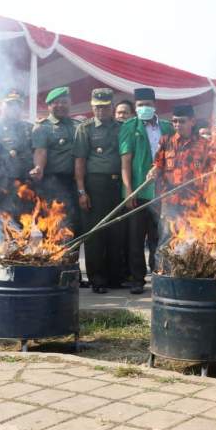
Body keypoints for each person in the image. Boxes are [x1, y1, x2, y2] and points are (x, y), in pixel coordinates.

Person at [118, 88, 173, 294]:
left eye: (148, 104)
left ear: (155, 105)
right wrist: (128, 191)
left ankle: (159, 274)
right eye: (140, 105)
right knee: (135, 237)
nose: (144, 108)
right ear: (135, 107)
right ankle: (137, 279)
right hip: (138, 192)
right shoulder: (129, 127)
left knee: (159, 236)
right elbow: (125, 163)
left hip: (162, 192)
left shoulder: (167, 127)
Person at [73, 89, 124, 294]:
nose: (100, 110)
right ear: (91, 107)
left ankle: (114, 277)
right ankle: (97, 279)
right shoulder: (85, 129)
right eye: (97, 107)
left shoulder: (122, 127)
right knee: (94, 234)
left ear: (112, 106)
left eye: (104, 106)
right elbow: (79, 162)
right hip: (95, 184)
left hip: (117, 184)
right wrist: (81, 191)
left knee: (116, 232)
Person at [150, 104, 212, 251]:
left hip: (194, 202)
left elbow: (210, 173)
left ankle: (188, 273)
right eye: (175, 121)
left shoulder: (204, 144)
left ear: (192, 121)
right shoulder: (165, 142)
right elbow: (158, 164)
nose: (178, 125)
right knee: (166, 239)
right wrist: (153, 170)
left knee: (193, 240)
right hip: (170, 200)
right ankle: (162, 271)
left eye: (182, 121)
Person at [0, 90, 35, 233]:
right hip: (2, 187)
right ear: (1, 106)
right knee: (2, 230)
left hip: (26, 187)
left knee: (25, 229)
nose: (14, 108)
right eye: (10, 104)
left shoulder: (29, 128)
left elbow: (37, 154)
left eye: (17, 105)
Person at [30, 86, 81, 235]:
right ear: (49, 106)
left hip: (76, 182)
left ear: (70, 103)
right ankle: (54, 258)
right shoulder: (42, 127)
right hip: (53, 182)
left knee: (74, 223)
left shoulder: (78, 126)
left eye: (64, 102)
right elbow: (40, 151)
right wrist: (38, 167)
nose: (60, 106)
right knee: (54, 223)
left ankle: (73, 258)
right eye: (56, 103)